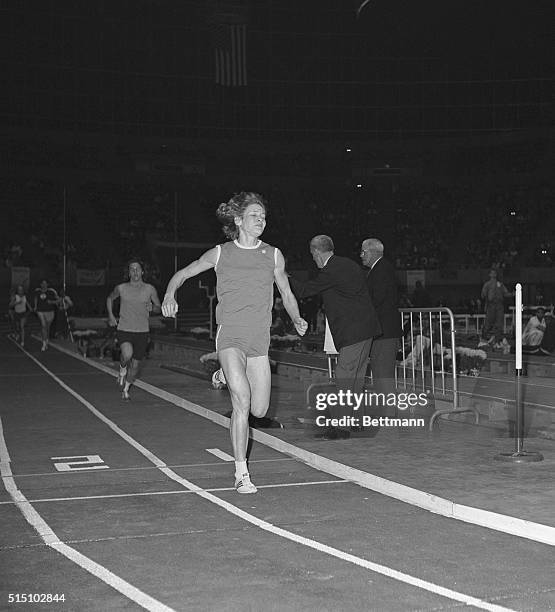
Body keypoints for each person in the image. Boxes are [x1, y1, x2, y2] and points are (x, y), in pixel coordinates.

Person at [162, 192, 307, 494]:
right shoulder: (220, 253)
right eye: (254, 215)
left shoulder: (274, 255)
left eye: (264, 216)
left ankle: (222, 375)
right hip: (230, 334)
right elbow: (183, 273)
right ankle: (242, 472)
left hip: (259, 338)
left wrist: (296, 318)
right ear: (239, 220)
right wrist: (169, 295)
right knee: (241, 402)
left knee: (260, 409)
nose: (261, 220)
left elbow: (287, 293)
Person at [290, 235, 381, 439]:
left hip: (354, 331)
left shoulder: (333, 269)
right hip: (365, 330)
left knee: (344, 376)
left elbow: (305, 290)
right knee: (355, 379)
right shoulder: (346, 264)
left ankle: (341, 427)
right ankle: (356, 421)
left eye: (313, 255)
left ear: (316, 252)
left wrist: (283, 277)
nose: (313, 260)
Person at [106, 259, 161, 400]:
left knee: (136, 366)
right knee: (127, 354)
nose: (135, 271)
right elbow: (110, 298)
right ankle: (122, 369)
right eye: (132, 269)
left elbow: (158, 307)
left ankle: (126, 389)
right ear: (129, 273)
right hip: (124, 328)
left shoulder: (149, 289)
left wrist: (153, 308)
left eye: (137, 269)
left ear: (142, 272)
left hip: (142, 331)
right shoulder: (122, 288)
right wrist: (111, 316)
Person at [360, 238, 403, 412]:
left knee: (383, 374)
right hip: (382, 331)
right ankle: (385, 412)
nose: (361, 255)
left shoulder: (382, 270)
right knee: (380, 373)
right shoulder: (379, 269)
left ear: (372, 252)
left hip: (384, 332)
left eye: (363, 252)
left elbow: (377, 300)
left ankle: (388, 413)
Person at [480, 269, 512, 348]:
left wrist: (514, 293)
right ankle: (483, 340)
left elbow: (506, 293)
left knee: (499, 325)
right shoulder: (487, 284)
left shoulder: (500, 284)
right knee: (487, 324)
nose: (494, 274)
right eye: (492, 273)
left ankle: (497, 342)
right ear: (489, 275)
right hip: (491, 306)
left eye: (495, 273)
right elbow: (483, 295)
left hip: (499, 306)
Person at [33, 279, 59, 351]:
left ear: (47, 284)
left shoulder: (52, 291)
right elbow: (35, 298)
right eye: (42, 283)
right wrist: (35, 306)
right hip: (40, 311)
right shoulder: (37, 291)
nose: (44, 285)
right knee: (43, 326)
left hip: (50, 311)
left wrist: (52, 302)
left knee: (47, 327)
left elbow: (59, 300)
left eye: (45, 283)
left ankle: (46, 339)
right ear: (40, 284)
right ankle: (44, 344)